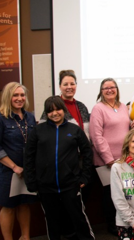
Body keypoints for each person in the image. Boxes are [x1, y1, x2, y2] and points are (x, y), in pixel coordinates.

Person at [24, 96, 94, 240]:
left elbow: (87, 152)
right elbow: (28, 157)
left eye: (58, 109)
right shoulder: (38, 131)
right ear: (46, 113)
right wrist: (31, 181)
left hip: (70, 185)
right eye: (50, 111)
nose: (55, 113)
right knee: (52, 220)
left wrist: (85, 176)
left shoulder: (74, 130)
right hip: (45, 186)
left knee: (78, 218)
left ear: (64, 110)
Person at [89, 77, 130, 235]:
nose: (109, 90)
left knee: (124, 193)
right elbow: (96, 136)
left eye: (112, 87)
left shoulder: (123, 107)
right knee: (110, 195)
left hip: (125, 159)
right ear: (101, 91)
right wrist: (109, 159)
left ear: (117, 89)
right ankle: (112, 226)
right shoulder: (98, 108)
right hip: (107, 161)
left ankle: (123, 222)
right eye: (105, 88)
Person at [0, 82, 37, 240]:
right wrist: (14, 167)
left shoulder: (30, 116)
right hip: (9, 171)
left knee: (24, 204)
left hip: (26, 170)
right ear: (8, 97)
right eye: (15, 95)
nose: (19, 98)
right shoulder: (2, 118)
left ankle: (25, 237)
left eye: (22, 95)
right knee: (8, 207)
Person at [40, 70, 90, 138]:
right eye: (65, 84)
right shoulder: (53, 105)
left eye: (72, 84)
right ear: (60, 86)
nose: (69, 87)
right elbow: (42, 130)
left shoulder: (81, 106)